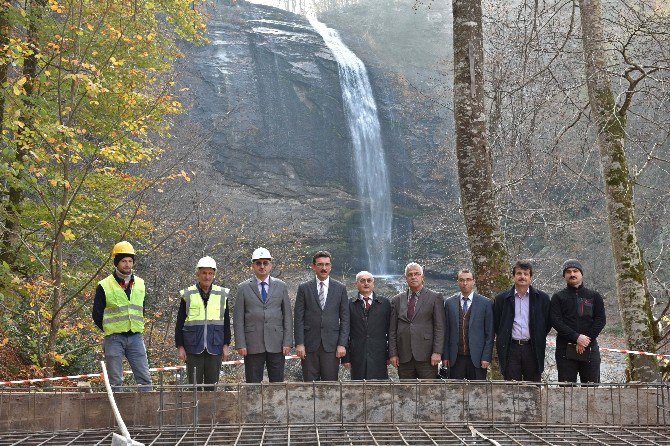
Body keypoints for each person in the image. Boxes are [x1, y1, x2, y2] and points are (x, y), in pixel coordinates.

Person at [92, 241, 152, 391]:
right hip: (114, 338)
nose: (127, 264)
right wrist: (110, 327)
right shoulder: (104, 285)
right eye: (124, 261)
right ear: (116, 262)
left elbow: (141, 309)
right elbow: (97, 314)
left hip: (136, 337)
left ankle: (149, 412)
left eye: (130, 261)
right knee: (115, 381)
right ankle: (116, 413)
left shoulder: (140, 284)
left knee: (145, 379)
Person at [234, 247, 293, 383]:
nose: (262, 266)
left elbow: (287, 316)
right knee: (253, 385)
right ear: (253, 265)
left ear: (270, 265)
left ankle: (276, 405)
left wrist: (288, 341)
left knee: (277, 384)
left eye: (265, 263)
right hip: (252, 344)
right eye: (258, 263)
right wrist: (240, 343)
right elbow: (238, 319)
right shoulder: (243, 288)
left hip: (277, 343)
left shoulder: (281, 286)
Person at [174, 256, 231, 390]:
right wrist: (180, 346)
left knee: (212, 387)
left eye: (210, 273)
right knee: (194, 387)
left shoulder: (222, 294)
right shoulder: (187, 294)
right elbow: (179, 323)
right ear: (197, 274)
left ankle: (211, 411)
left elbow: (227, 323)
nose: (207, 277)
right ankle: (195, 411)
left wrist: (226, 344)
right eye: (204, 273)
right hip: (193, 347)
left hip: (215, 346)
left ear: (214, 275)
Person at [294, 250, 350, 381]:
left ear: (330, 266)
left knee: (330, 385)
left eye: (326, 264)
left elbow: (345, 319)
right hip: (309, 345)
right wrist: (300, 343)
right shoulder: (304, 288)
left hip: (332, 345)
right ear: (313, 266)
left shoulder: (340, 288)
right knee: (310, 386)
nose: (323, 268)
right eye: (320, 264)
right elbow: (298, 318)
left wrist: (342, 344)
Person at [493, 260, 551, 381]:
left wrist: (537, 335)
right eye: (519, 273)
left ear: (531, 277)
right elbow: (498, 324)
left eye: (526, 274)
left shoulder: (542, 298)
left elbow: (547, 322)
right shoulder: (501, 299)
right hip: (510, 348)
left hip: (532, 347)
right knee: (511, 387)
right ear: (513, 276)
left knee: (534, 385)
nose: (522, 277)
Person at [550, 259, 606, 383]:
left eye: (575, 271)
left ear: (581, 274)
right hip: (565, 350)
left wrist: (585, 339)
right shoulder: (558, 297)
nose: (572, 274)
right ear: (564, 275)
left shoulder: (594, 296)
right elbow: (556, 321)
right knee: (566, 392)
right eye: (568, 272)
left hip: (589, 348)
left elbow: (600, 320)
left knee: (591, 390)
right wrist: (576, 337)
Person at [389, 262, 445, 379]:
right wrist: (393, 354)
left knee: (427, 392)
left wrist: (437, 352)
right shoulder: (397, 300)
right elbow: (392, 330)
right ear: (406, 278)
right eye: (410, 274)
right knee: (406, 392)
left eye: (417, 274)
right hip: (404, 355)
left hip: (427, 355)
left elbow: (439, 327)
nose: (413, 277)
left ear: (422, 277)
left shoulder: (435, 297)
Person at [442, 269, 494, 380]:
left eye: (468, 280)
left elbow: (489, 334)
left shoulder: (486, 303)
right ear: (457, 282)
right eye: (461, 280)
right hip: (455, 358)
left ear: (473, 281)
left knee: (477, 392)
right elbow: (446, 331)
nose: (465, 283)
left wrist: (486, 357)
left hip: (477, 358)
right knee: (456, 392)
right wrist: (445, 355)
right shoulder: (449, 303)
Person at [342, 271, 392, 380]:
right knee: (359, 390)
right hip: (357, 355)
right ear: (356, 284)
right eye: (362, 281)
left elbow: (391, 331)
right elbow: (344, 331)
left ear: (373, 284)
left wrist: (390, 354)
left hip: (379, 354)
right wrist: (346, 358)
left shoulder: (384, 304)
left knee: (380, 390)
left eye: (369, 280)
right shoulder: (349, 304)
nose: (366, 283)